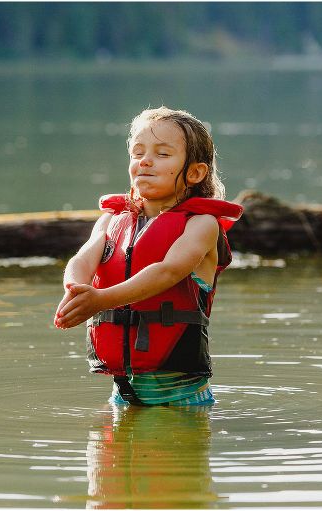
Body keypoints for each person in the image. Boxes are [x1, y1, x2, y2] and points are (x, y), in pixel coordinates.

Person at [54, 106, 243, 406]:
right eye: (137, 152)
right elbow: (82, 260)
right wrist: (75, 290)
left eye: (162, 154)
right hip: (123, 396)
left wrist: (100, 300)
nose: (145, 161)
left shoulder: (201, 225)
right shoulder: (111, 221)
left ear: (194, 172)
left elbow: (168, 271)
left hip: (182, 400)